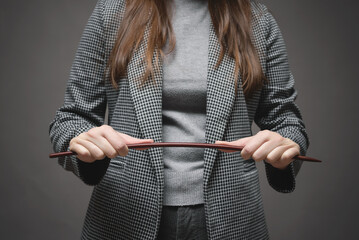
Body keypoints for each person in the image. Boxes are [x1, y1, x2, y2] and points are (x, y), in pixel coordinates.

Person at [48, 0, 309, 239]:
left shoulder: (258, 19)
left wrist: (286, 144)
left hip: (233, 217)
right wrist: (80, 142)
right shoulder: (113, 12)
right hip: (124, 213)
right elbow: (71, 118)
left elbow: (286, 121)